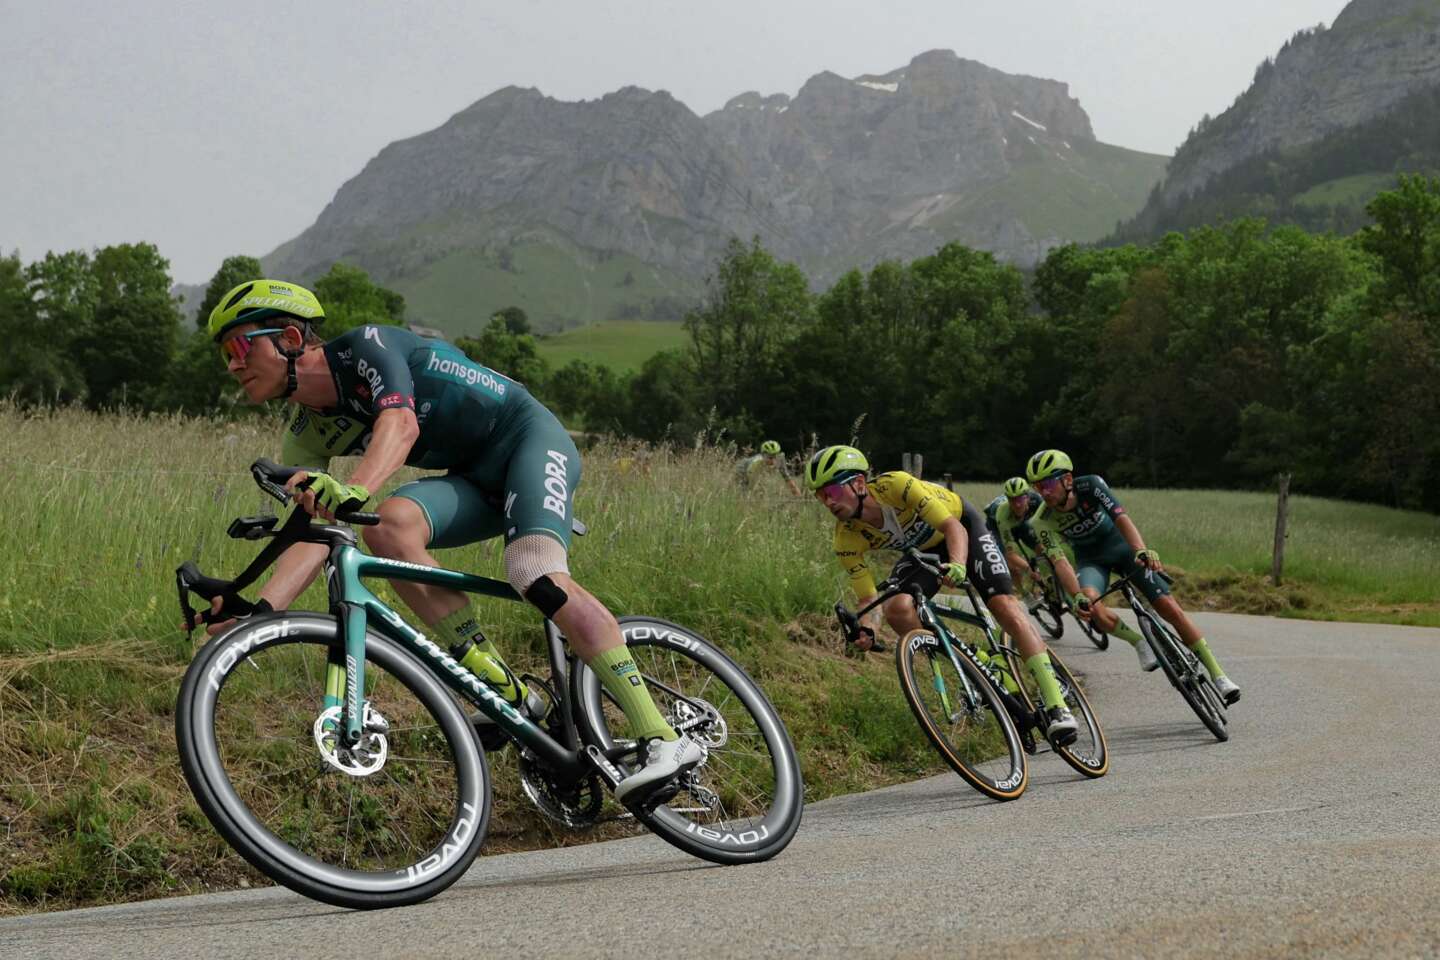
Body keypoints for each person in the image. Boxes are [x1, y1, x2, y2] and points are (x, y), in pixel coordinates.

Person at [204, 278, 702, 801]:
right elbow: (315, 531)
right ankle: (507, 689)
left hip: (529, 440)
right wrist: (259, 612)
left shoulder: (365, 348)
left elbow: (400, 423)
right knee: (391, 524)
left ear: (287, 337)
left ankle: (662, 738)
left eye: (239, 346)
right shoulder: (306, 430)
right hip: (473, 475)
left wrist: (351, 489)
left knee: (534, 573)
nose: (233, 365)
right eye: (225, 355)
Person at [805, 445, 1077, 744]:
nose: (827, 501)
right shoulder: (846, 537)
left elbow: (951, 527)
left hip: (963, 527)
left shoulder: (895, 485)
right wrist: (869, 628)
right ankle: (976, 662)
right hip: (923, 550)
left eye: (831, 490)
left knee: (1004, 606)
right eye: (820, 495)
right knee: (897, 608)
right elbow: (869, 598)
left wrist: (958, 566)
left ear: (858, 484)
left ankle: (1057, 705)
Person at [1024, 449, 1241, 704]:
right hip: (1091, 560)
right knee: (1091, 603)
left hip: (1122, 548)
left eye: (1048, 484)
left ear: (1068, 480)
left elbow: (1121, 518)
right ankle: (1139, 642)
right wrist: (1077, 596)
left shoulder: (1091, 485)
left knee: (1169, 608)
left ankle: (1218, 675)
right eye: (1038, 487)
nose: (1044, 492)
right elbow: (1060, 562)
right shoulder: (1041, 521)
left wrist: (1141, 550)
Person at [983, 477, 1049, 605]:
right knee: (1011, 565)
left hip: (1020, 523)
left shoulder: (1037, 500)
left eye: (1020, 499)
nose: (1017, 504)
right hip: (996, 526)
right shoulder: (1002, 512)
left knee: (1042, 549)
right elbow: (1010, 554)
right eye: (1012, 500)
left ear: (1028, 496)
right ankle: (1025, 595)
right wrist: (1028, 569)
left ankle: (1049, 586)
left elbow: (1047, 525)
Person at [736, 440, 801, 496]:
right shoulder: (756, 463)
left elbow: (788, 479)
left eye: (775, 457)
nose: (773, 461)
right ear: (763, 455)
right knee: (744, 492)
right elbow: (753, 486)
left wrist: (799, 497)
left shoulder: (780, 459)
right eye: (770, 458)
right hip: (743, 469)